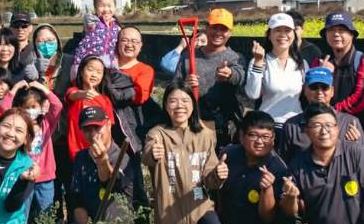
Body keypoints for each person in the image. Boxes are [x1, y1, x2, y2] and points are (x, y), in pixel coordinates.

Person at [143, 83, 232, 224]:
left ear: (193, 105)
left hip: (199, 206)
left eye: (185, 101)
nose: (179, 106)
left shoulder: (204, 134)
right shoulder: (158, 134)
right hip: (170, 215)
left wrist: (218, 175)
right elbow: (148, 155)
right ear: (165, 106)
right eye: (173, 101)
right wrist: (152, 154)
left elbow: (209, 176)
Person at [48, 106, 139, 224]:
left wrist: (102, 162)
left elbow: (113, 183)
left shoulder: (125, 157)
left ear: (108, 125)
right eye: (87, 129)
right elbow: (76, 200)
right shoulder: (81, 157)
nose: (93, 134)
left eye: (98, 128)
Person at [218, 109, 292, 224]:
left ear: (273, 139)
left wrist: (266, 190)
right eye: (253, 135)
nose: (260, 142)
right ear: (242, 136)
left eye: (266, 137)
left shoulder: (278, 168)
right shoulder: (229, 154)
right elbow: (217, 195)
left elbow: (268, 217)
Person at [159, 8, 247, 139]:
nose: (218, 33)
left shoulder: (235, 58)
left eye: (223, 29)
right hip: (192, 122)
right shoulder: (188, 56)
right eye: (214, 27)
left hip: (223, 125)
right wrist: (185, 85)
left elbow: (240, 76)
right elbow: (174, 86)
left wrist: (230, 74)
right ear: (206, 28)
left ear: (230, 33)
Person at [320, 12, 364, 172]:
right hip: (327, 131)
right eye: (331, 30)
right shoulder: (321, 62)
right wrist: (325, 75)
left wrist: (333, 113)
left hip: (357, 130)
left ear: (352, 35)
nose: (336, 34)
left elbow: (363, 98)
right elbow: (313, 95)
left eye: (342, 30)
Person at [275, 67, 364, 163]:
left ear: (332, 91)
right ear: (305, 90)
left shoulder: (350, 122)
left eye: (324, 87)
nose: (319, 92)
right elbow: (284, 163)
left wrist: (356, 146)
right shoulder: (291, 125)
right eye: (314, 87)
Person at [1, 83, 62, 224]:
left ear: (41, 107)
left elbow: (57, 106)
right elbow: (5, 110)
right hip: (23, 176)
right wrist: (14, 90)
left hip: (45, 177)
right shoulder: (18, 126)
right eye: (26, 108)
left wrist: (44, 89)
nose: (30, 111)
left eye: (34, 107)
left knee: (45, 211)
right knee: (21, 213)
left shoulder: (47, 124)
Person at [244, 12, 308, 125]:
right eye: (278, 30)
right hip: (267, 126)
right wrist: (258, 63)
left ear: (293, 35)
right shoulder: (259, 61)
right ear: (269, 35)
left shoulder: (302, 64)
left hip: (295, 126)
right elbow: (252, 94)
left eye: (287, 30)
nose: (283, 35)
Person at [63, 56, 115, 157]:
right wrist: (84, 94)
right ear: (81, 72)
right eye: (90, 69)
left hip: (98, 150)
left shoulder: (105, 100)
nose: (94, 74)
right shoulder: (73, 91)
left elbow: (109, 127)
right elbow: (72, 95)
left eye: (99, 72)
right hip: (76, 151)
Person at [112, 26, 157, 133]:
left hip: (133, 123)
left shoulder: (146, 70)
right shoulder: (106, 68)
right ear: (117, 43)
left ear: (140, 46)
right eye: (124, 40)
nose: (129, 45)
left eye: (134, 41)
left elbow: (139, 96)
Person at [71, 0, 123, 67]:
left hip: (107, 65)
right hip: (88, 64)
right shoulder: (94, 22)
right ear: (95, 8)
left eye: (109, 6)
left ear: (114, 7)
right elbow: (88, 22)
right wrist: (88, 20)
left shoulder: (117, 27)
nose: (106, 9)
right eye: (101, 6)